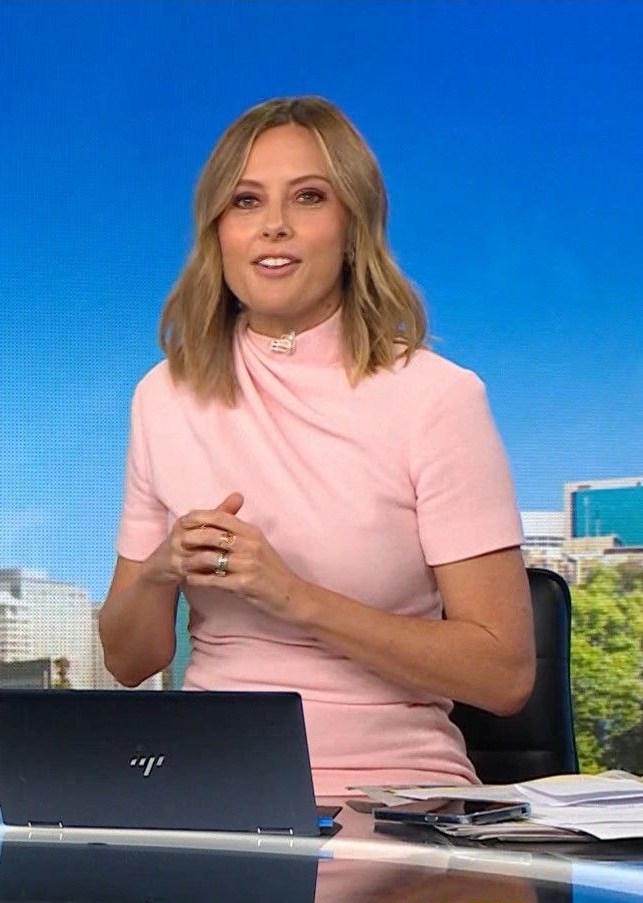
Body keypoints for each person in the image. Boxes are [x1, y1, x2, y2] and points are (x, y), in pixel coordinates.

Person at [97, 97, 535, 801]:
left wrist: (293, 597)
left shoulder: (437, 399)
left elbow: (505, 674)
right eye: (246, 201)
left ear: (353, 227)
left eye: (308, 197)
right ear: (218, 232)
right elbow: (128, 662)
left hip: (393, 796)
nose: (273, 224)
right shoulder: (162, 396)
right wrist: (158, 572)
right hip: (208, 793)